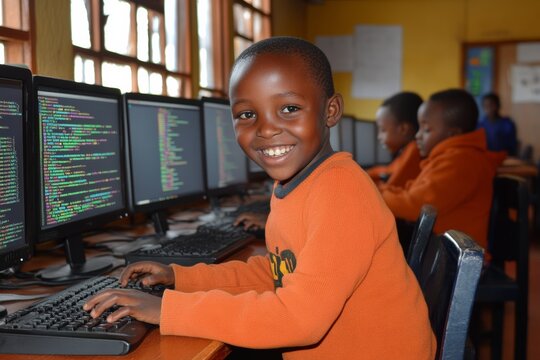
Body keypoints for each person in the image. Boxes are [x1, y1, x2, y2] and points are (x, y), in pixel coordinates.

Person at [83, 37, 435, 359]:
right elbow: (276, 273)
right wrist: (180, 278)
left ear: (330, 111)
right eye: (247, 115)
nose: (266, 129)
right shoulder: (298, 185)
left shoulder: (340, 190)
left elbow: (298, 319)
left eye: (289, 109)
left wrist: (166, 311)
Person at [381, 89, 504, 251]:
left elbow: (414, 206)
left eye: (426, 130)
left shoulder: (461, 162)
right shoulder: (447, 157)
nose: (417, 135)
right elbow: (412, 191)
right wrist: (379, 190)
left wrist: (373, 194)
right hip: (441, 253)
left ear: (452, 134)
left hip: (457, 264)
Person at [367, 91, 423, 188]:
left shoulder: (414, 150)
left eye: (383, 130)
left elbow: (391, 186)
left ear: (403, 129)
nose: (378, 137)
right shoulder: (406, 150)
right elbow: (388, 170)